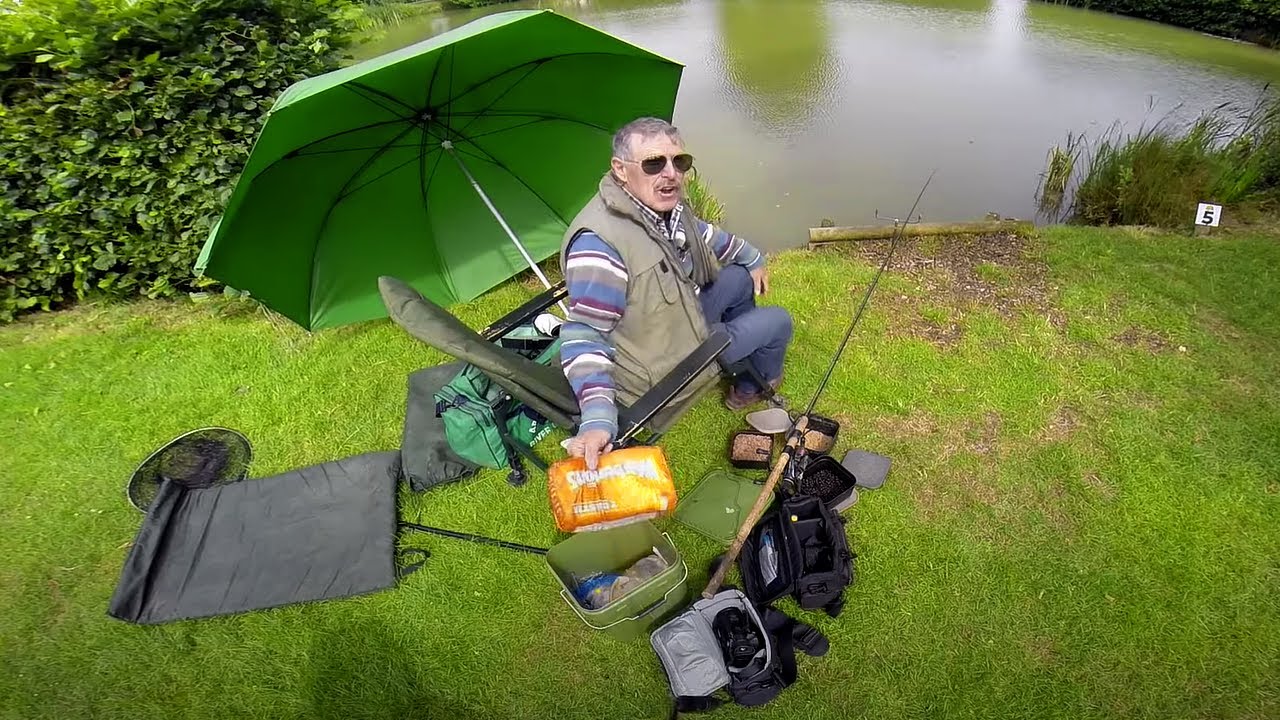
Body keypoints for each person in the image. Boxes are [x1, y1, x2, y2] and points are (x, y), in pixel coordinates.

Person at [559, 117, 793, 469]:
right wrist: (596, 418)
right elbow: (585, 336)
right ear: (620, 170)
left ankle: (740, 368)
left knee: (740, 278)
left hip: (673, 322)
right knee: (778, 321)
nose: (671, 173)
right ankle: (751, 386)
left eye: (679, 162)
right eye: (654, 163)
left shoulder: (662, 209)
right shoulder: (600, 247)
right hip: (660, 365)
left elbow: (709, 236)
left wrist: (753, 257)